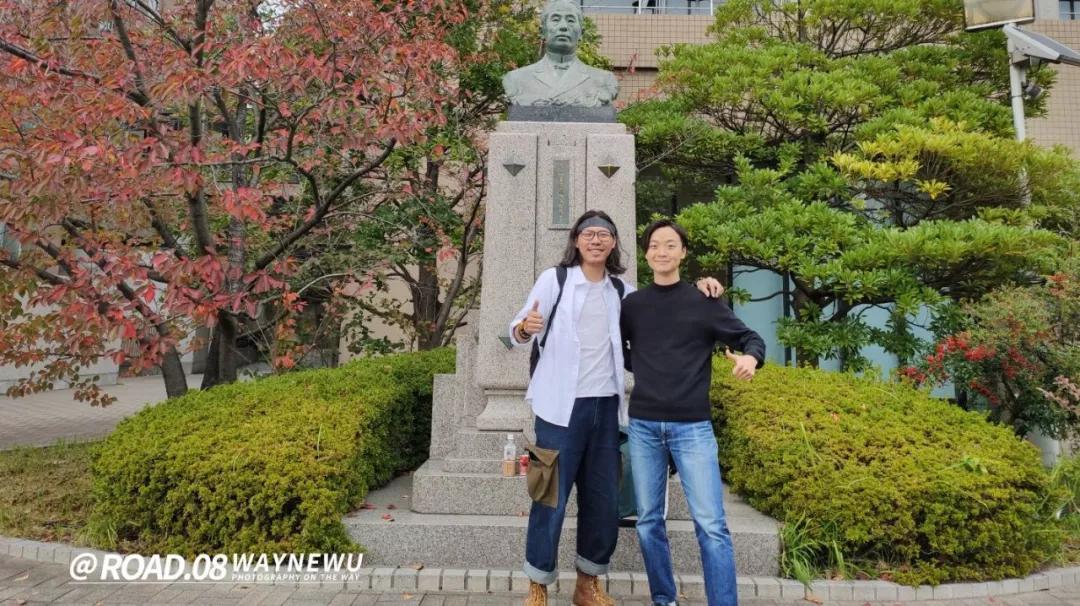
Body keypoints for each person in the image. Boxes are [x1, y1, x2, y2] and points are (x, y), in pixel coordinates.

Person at [509, 211, 722, 606]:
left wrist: (702, 287)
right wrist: (525, 328)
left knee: (603, 500)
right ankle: (538, 584)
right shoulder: (554, 280)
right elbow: (517, 329)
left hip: (606, 408)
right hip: (558, 410)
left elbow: (664, 306)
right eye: (588, 234)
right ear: (576, 241)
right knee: (548, 497)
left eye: (604, 235)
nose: (596, 241)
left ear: (613, 244)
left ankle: (588, 584)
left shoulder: (621, 291)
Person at [619, 219, 766, 606]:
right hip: (644, 425)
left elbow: (750, 337)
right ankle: (664, 599)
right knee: (649, 522)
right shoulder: (632, 306)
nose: (661, 251)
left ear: (683, 252)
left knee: (711, 525)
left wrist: (751, 357)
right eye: (654, 245)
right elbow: (619, 352)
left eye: (670, 245)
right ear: (647, 252)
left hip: (693, 429)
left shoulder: (705, 302)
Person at [501, 0, 618, 108]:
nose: (563, 27)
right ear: (542, 31)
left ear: (581, 33)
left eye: (571, 20)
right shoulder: (515, 79)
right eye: (556, 19)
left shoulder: (604, 80)